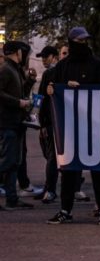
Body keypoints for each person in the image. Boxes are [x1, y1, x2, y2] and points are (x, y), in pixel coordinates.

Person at [45, 27, 100, 224]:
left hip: (94, 126)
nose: (83, 45)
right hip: (70, 127)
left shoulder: (98, 65)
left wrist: (82, 90)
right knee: (69, 170)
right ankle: (65, 209)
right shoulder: (63, 66)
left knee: (99, 170)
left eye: (85, 41)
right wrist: (56, 89)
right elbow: (54, 90)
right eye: (79, 41)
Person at [0, 40, 34, 212]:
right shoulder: (6, 69)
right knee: (7, 162)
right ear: (17, 52)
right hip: (7, 123)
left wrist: (30, 81)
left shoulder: (15, 70)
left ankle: (12, 199)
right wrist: (18, 103)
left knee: (14, 162)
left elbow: (21, 92)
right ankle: (11, 198)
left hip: (16, 123)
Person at [34, 45, 62, 204]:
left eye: (46, 57)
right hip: (56, 120)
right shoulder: (56, 72)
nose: (43, 60)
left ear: (53, 57)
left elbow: (42, 99)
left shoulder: (50, 73)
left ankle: (49, 189)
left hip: (51, 121)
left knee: (51, 157)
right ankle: (49, 189)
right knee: (52, 156)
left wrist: (42, 122)